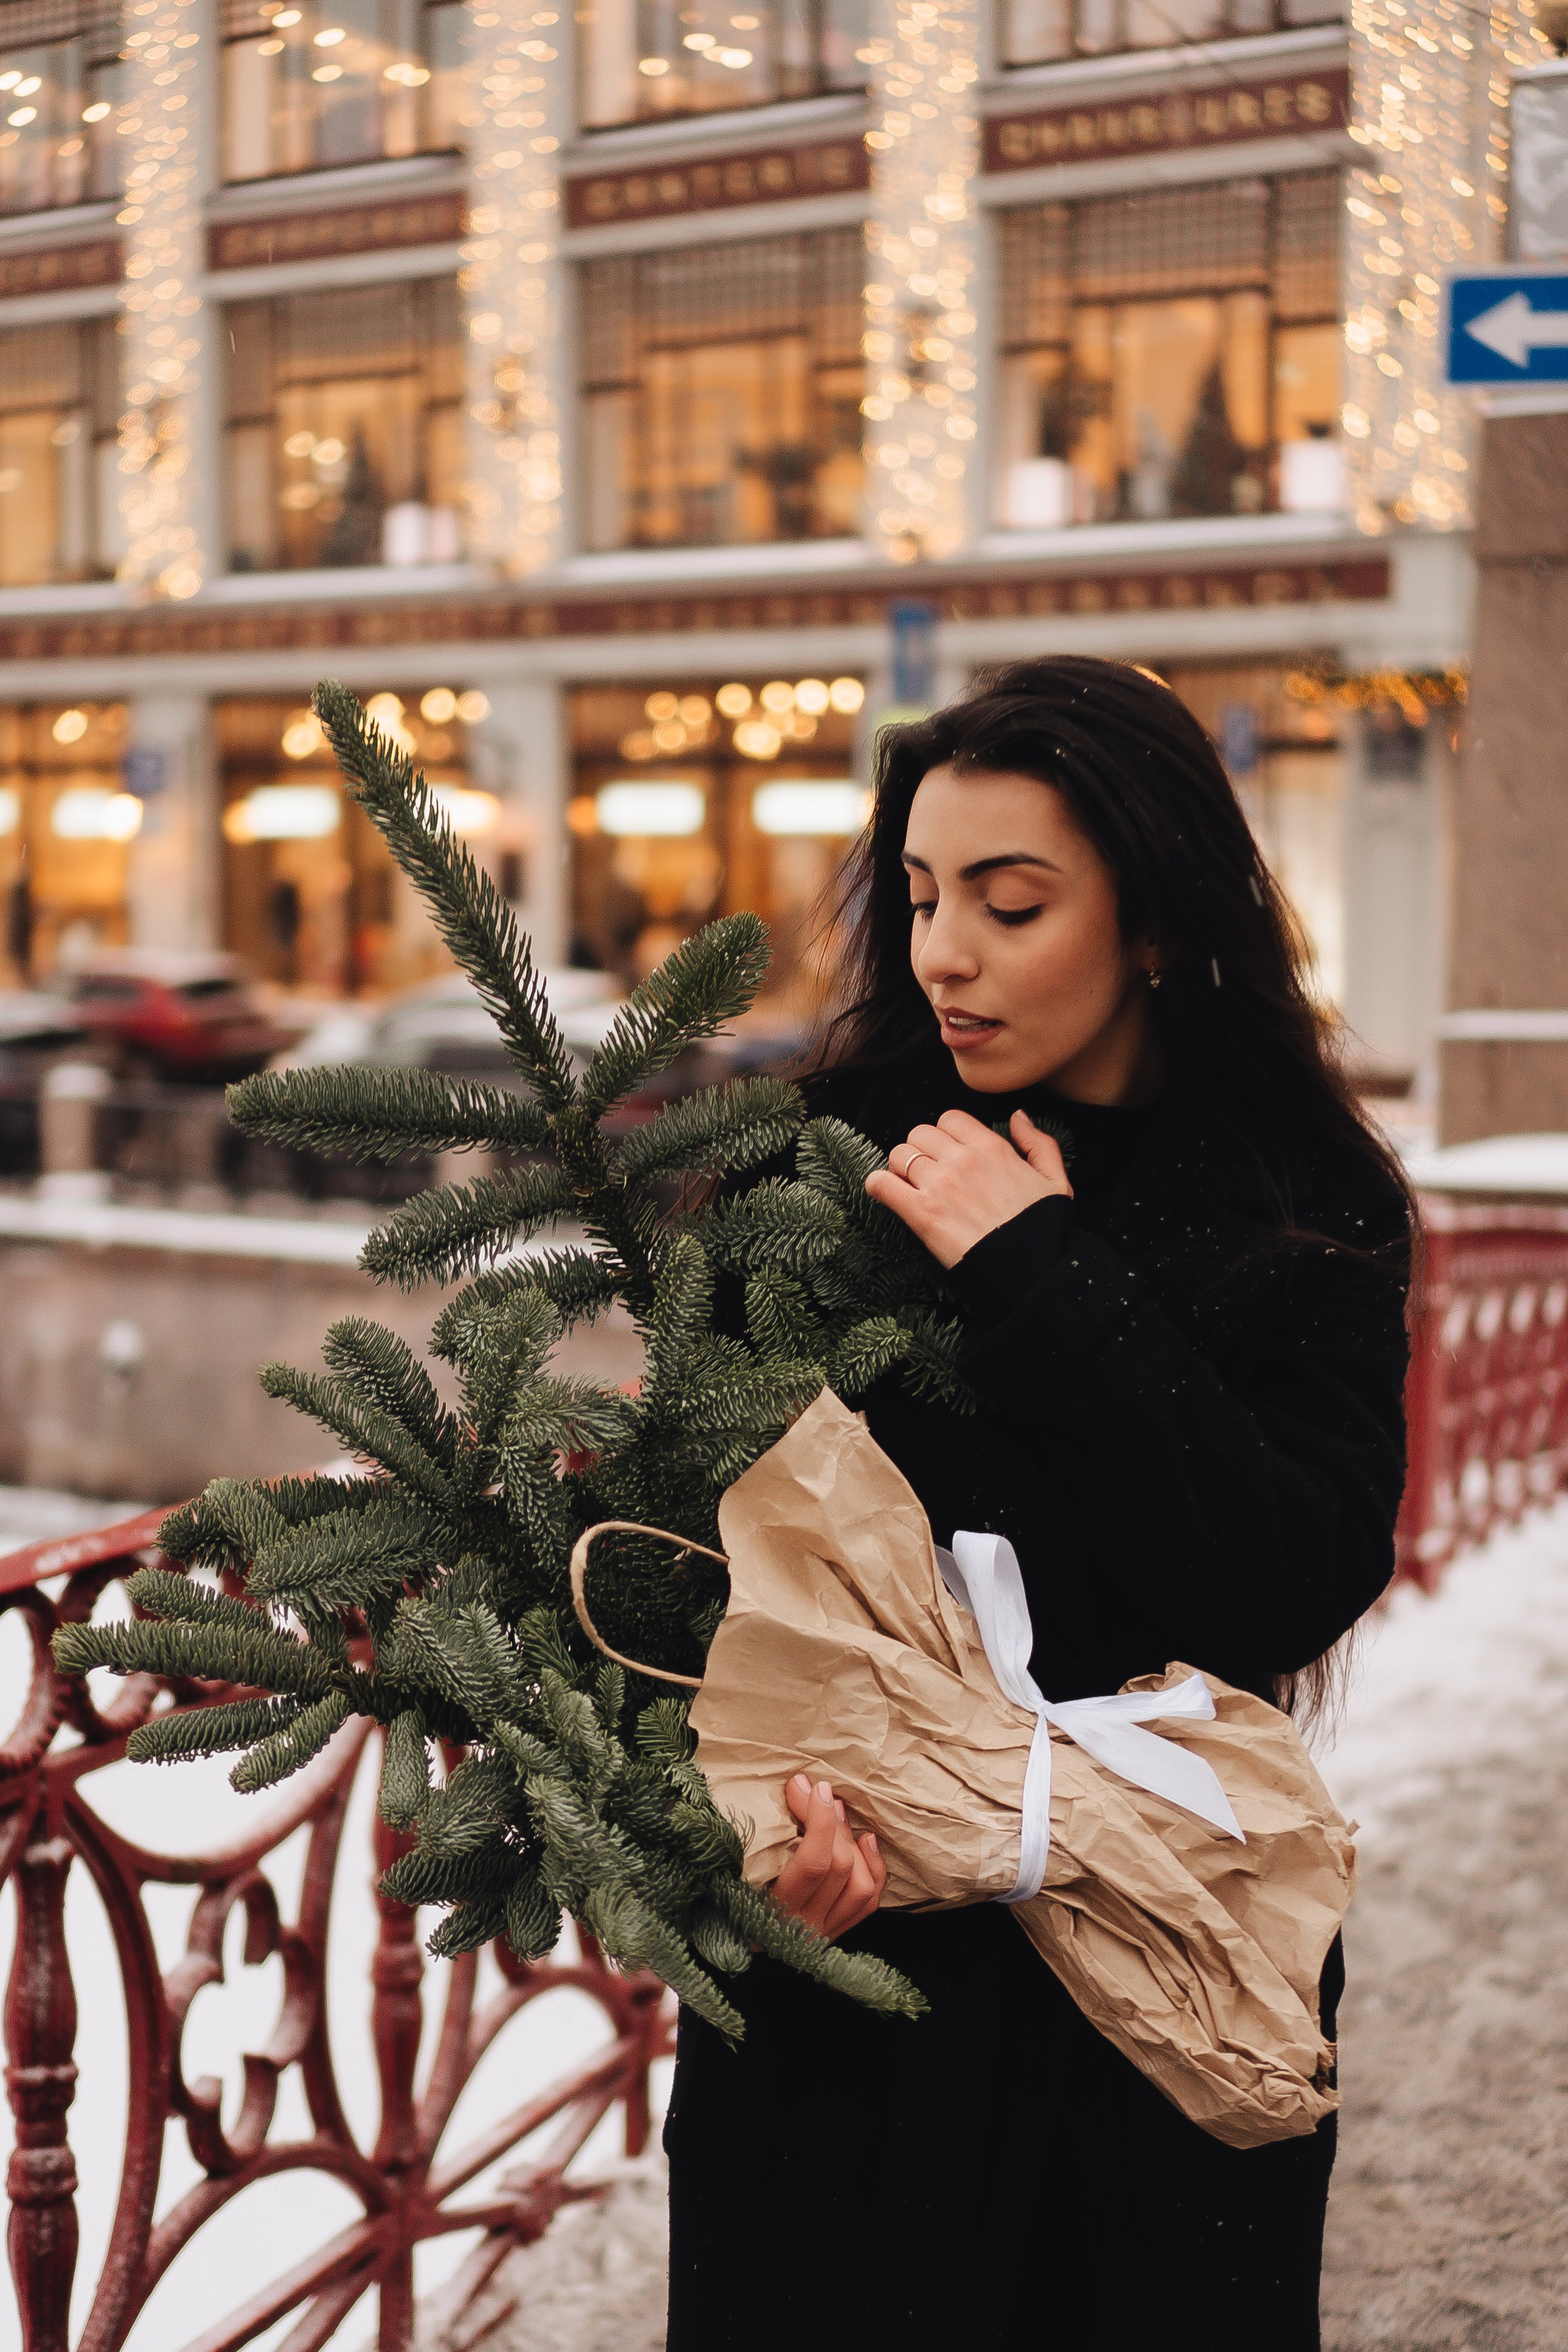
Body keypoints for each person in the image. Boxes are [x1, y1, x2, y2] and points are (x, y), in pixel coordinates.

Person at [663, 657, 1412, 2351]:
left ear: (1155, 921)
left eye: (1011, 902)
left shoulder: (1306, 1209)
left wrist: (1042, 1274)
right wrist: (752, 1832)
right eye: (922, 896)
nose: (944, 953)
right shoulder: (814, 1169)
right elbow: (676, 1570)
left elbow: (1286, 1576)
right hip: (842, 1980)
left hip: (1158, 1970)